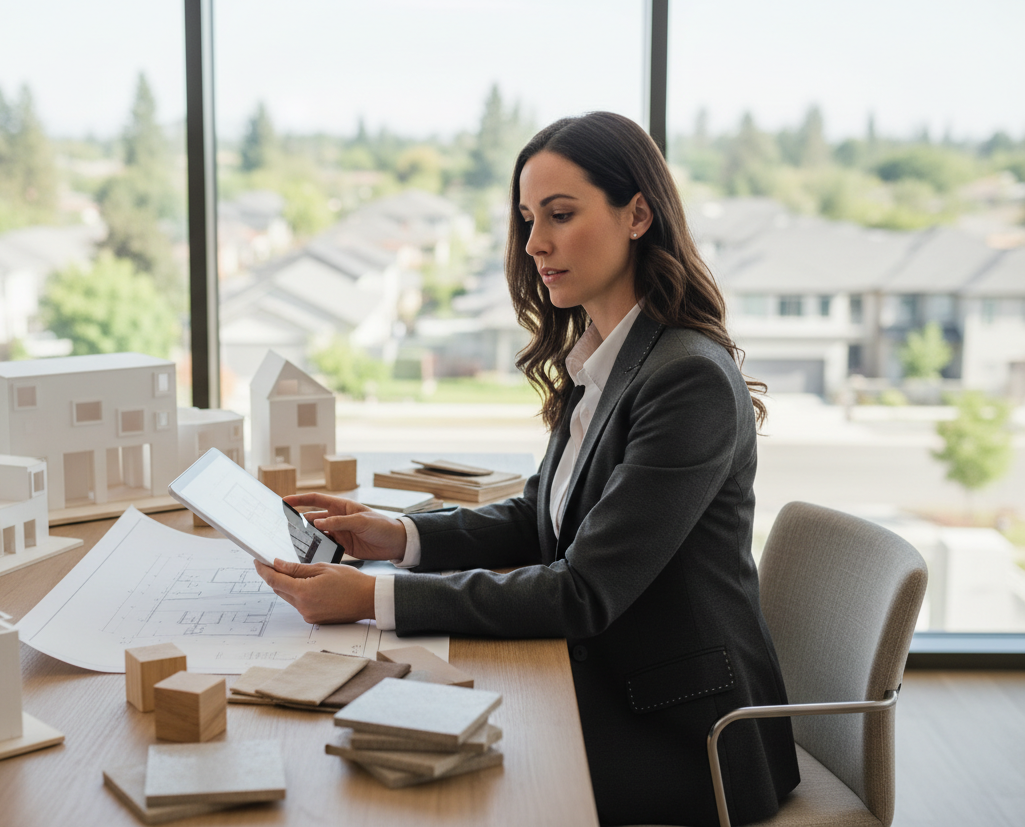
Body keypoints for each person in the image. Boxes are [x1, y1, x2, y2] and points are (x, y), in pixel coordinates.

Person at [254, 112, 800, 826]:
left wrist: (370, 600)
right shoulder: (604, 357)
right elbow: (540, 517)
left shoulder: (686, 380)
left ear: (638, 214)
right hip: (605, 680)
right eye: (527, 217)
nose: (536, 242)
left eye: (561, 214)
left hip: (681, 733)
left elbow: (582, 592)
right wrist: (397, 540)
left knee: (420, 790)